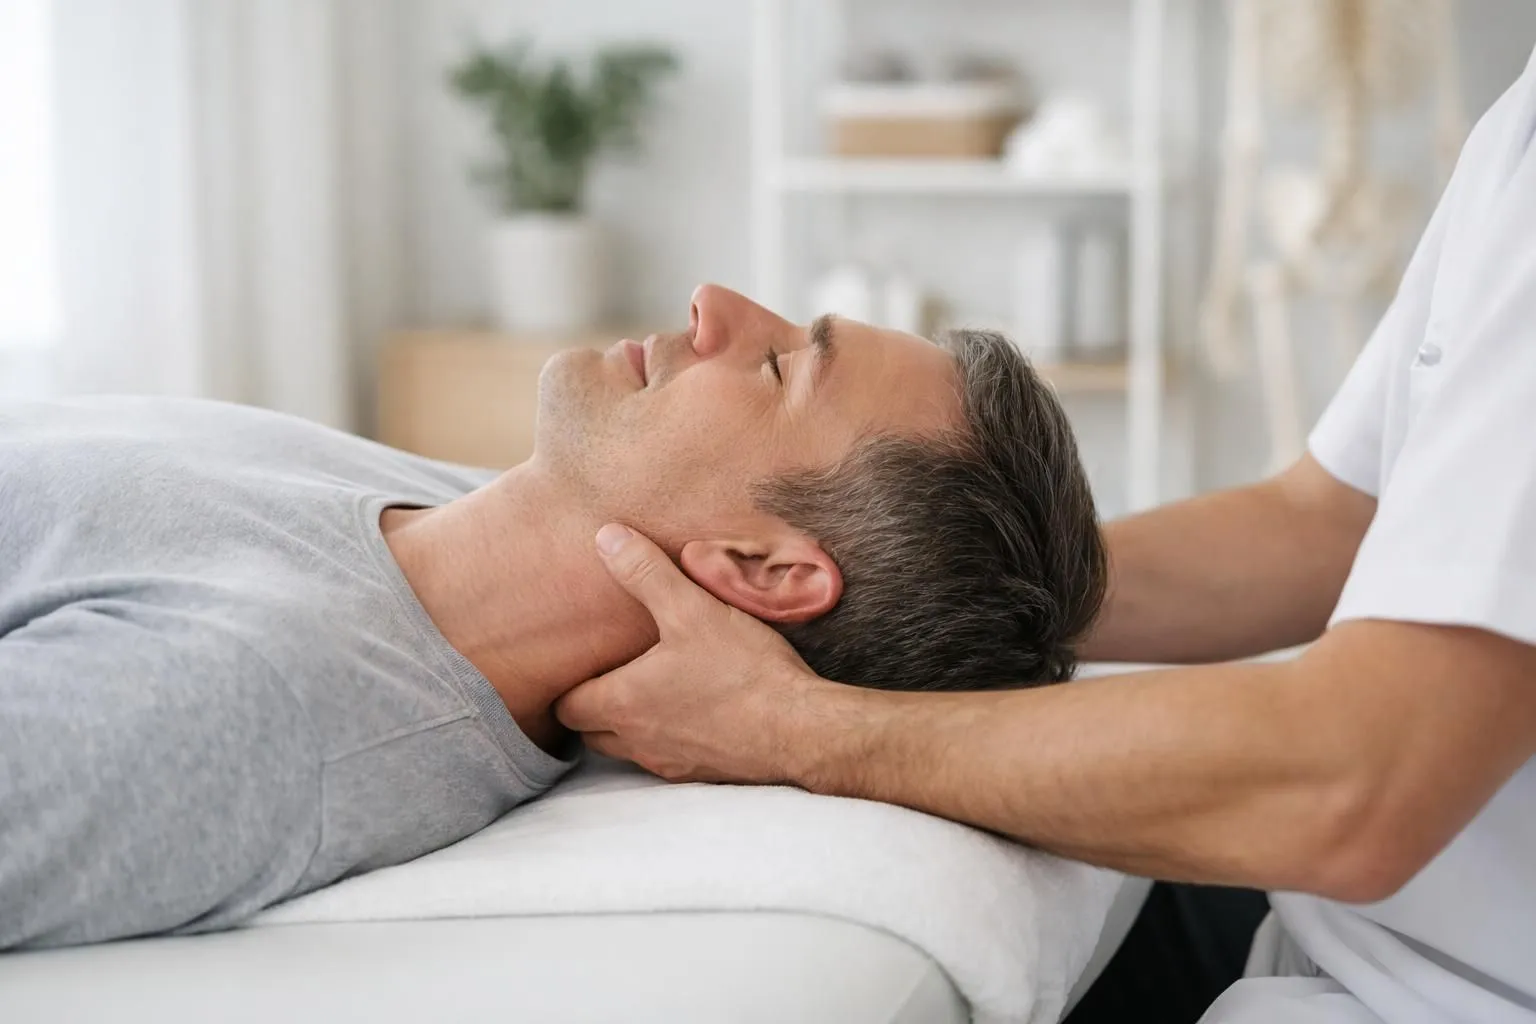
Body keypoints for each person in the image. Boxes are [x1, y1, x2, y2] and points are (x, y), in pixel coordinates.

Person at [555, 47, 1536, 1024]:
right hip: (1342, 943)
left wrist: (788, 727)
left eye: (780, 368)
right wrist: (915, 598)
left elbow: (1365, 778)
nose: (707, 301)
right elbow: (1336, 518)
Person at [0, 286, 1105, 951]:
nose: (713, 304)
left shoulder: (253, 706)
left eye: (776, 366)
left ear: (763, 570)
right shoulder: (444, 500)